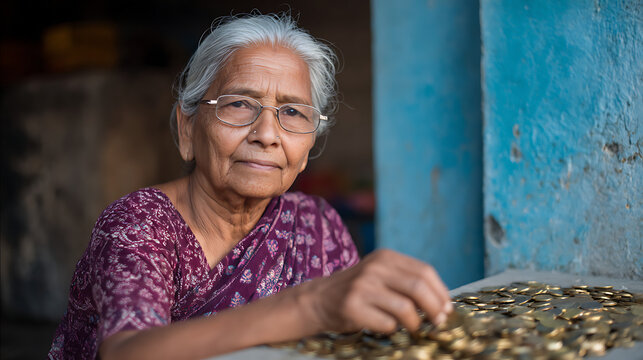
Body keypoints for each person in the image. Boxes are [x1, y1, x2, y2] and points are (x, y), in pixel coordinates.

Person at [48, 13, 452, 360]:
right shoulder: (139, 224)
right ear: (188, 128)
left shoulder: (316, 226)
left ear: (308, 147)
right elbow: (128, 352)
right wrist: (309, 306)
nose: (267, 134)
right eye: (240, 104)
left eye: (292, 112)